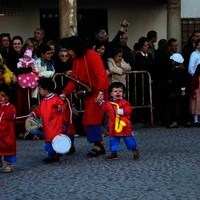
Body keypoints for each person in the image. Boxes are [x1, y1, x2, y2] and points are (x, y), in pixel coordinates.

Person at [60, 36, 109, 157]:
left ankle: (98, 146)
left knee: (92, 119)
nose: (68, 53)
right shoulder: (77, 59)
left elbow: (101, 75)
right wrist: (65, 92)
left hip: (98, 92)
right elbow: (75, 79)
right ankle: (98, 144)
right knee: (87, 119)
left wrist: (102, 91)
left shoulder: (92, 56)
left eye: (69, 50)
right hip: (89, 93)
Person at [30, 78, 73, 163]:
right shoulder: (43, 100)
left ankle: (52, 155)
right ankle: (54, 154)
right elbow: (39, 110)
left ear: (46, 90)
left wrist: (60, 108)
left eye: (40, 89)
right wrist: (34, 113)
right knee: (49, 138)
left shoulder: (55, 99)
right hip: (47, 124)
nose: (39, 91)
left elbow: (63, 105)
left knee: (53, 138)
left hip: (55, 124)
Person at [97, 82, 140, 160]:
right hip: (113, 127)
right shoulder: (109, 103)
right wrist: (101, 102)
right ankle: (114, 154)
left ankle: (135, 152)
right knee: (113, 140)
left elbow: (129, 110)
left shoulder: (125, 103)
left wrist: (122, 111)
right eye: (115, 91)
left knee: (129, 139)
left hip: (124, 127)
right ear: (111, 93)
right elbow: (104, 108)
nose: (118, 93)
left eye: (120, 91)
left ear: (123, 93)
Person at [0, 85, 17, 173]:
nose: (0, 98)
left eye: (2, 96)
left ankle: (9, 165)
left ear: (7, 97)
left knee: (8, 149)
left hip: (8, 134)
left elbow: (11, 116)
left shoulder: (11, 107)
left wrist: (5, 108)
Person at [188, 39, 200, 126]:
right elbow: (190, 68)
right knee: (197, 99)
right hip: (197, 79)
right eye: (198, 44)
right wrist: (196, 76)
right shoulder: (194, 54)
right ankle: (196, 120)